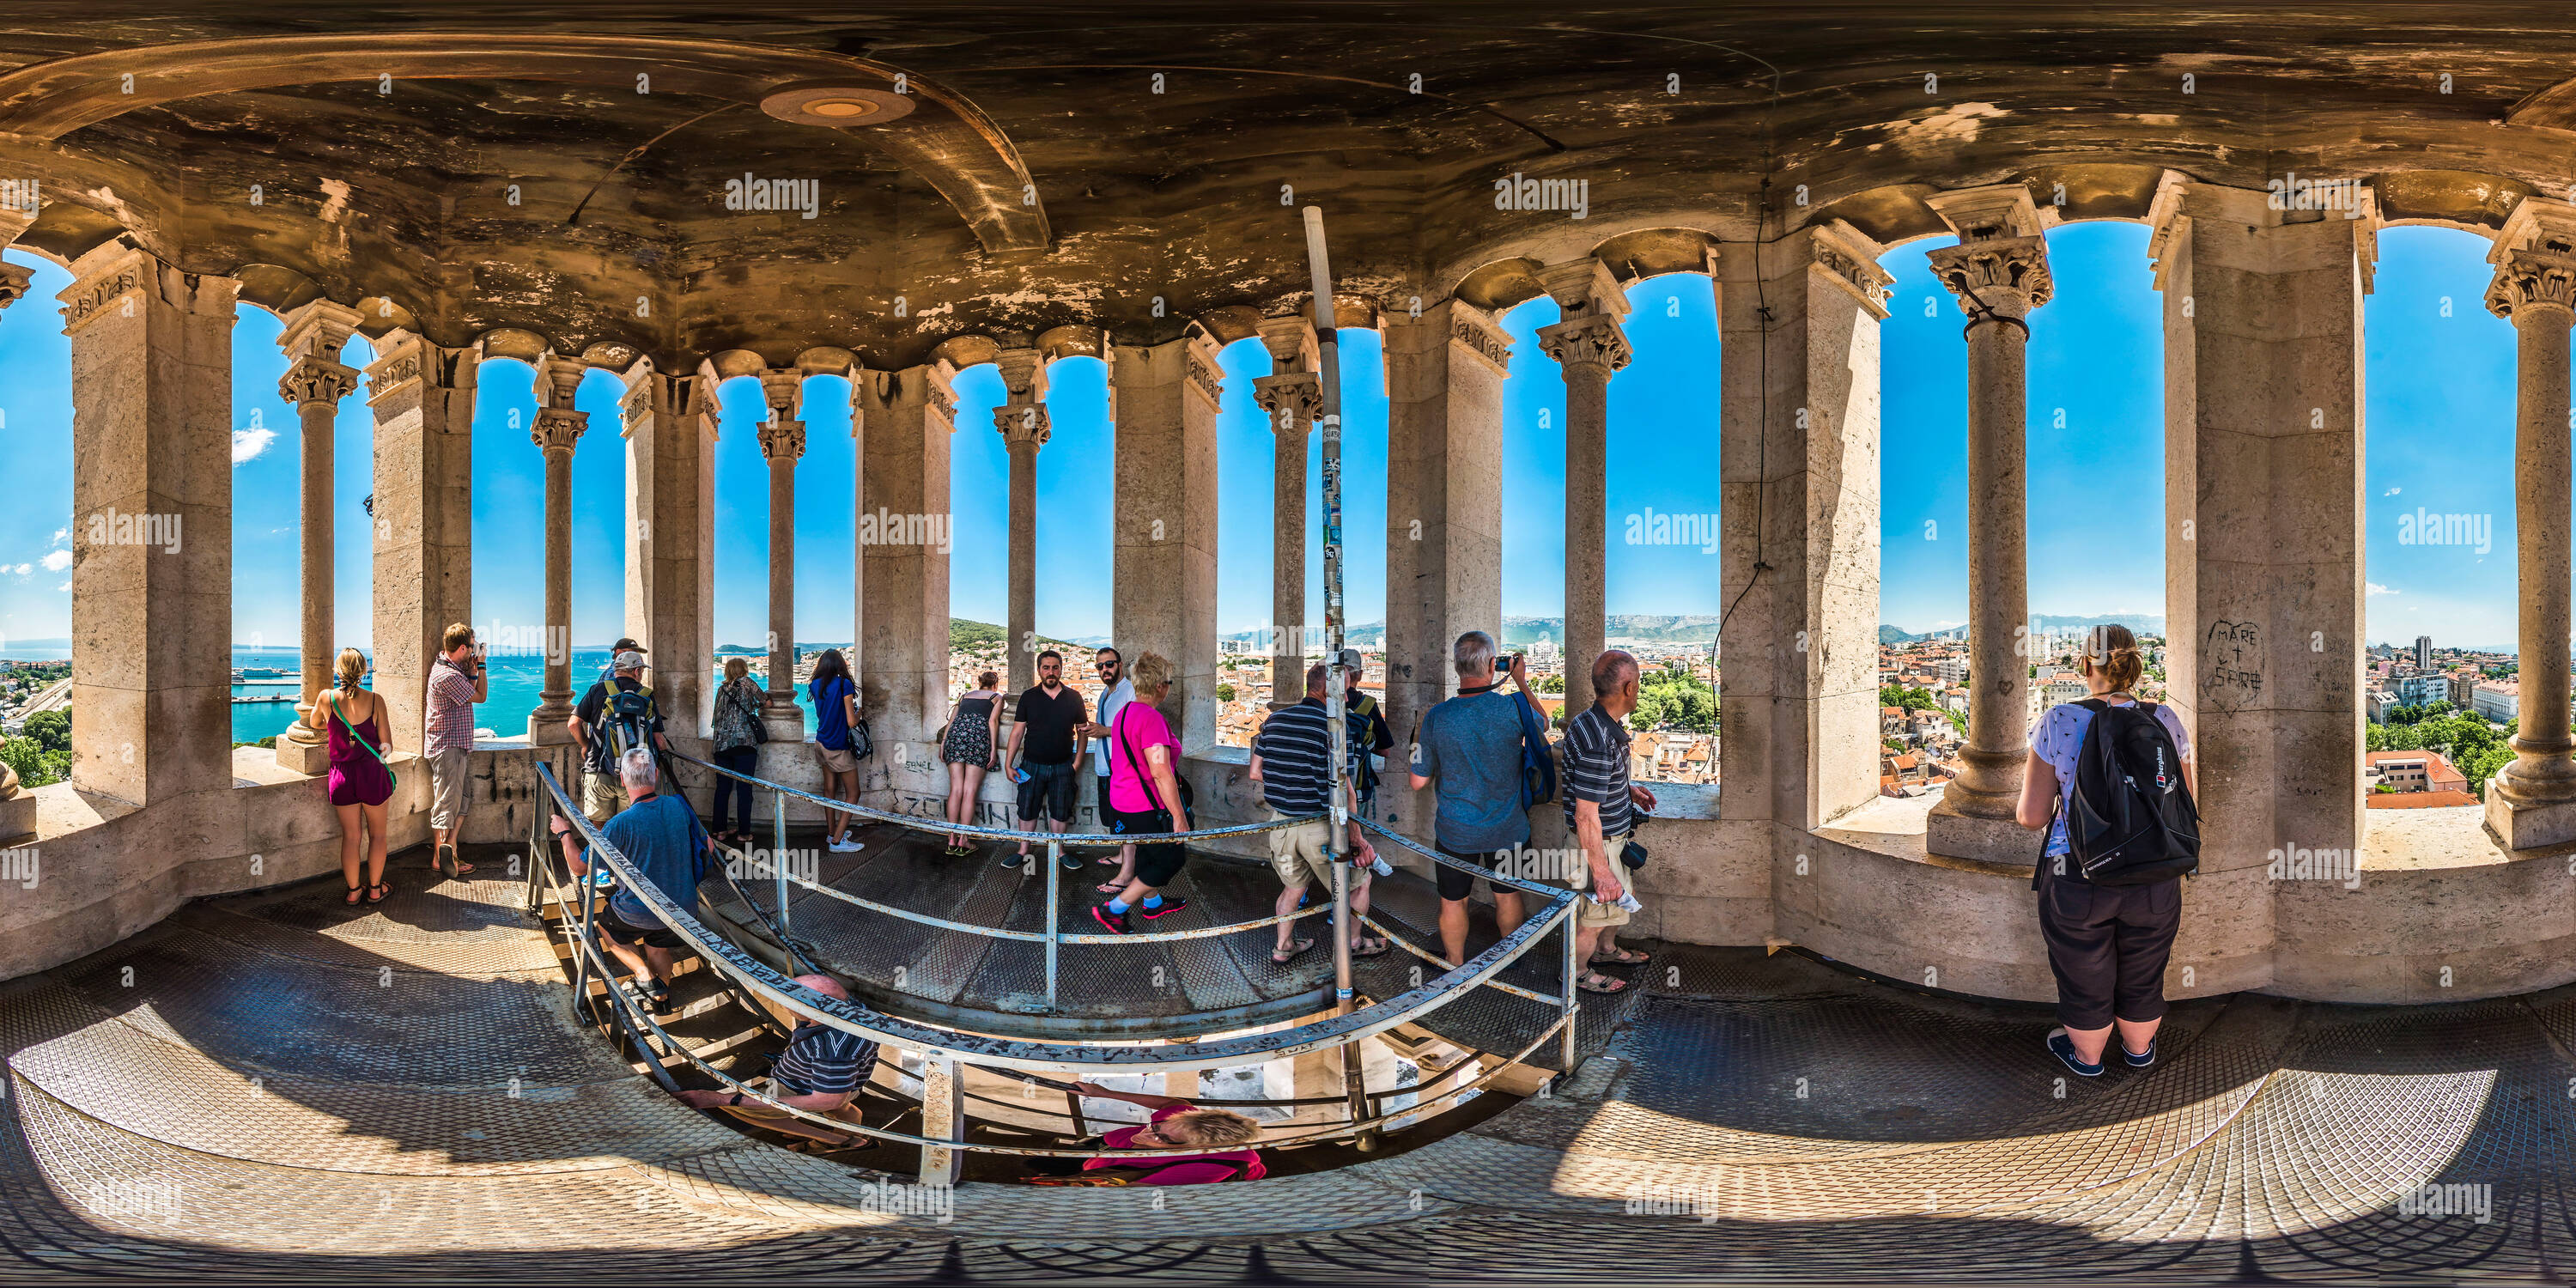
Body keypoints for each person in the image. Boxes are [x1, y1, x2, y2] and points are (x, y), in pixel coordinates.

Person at [2015, 623, 2196, 1078]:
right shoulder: (2166, 719)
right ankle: (2139, 1050)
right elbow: (2188, 803)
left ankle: (2088, 1058)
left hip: (2078, 871)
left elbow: (2031, 816)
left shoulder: (2059, 720)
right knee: (2145, 967)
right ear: (2136, 663)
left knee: (2083, 968)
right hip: (2156, 872)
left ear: (2083, 665)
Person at [1408, 631, 1546, 968]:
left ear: (1457, 667)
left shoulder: (1437, 717)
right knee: (1508, 895)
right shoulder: (1512, 709)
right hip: (1508, 827)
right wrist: (1520, 682)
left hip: (1456, 830)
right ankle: (1508, 959)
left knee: (1453, 902)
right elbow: (1543, 724)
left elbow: (1417, 781)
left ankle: (1455, 963)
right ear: (1490, 665)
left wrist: (1420, 741)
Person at [549, 747, 714, 1014]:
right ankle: (661, 1000)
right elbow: (708, 846)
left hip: (640, 912)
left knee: (607, 928)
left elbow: (580, 867)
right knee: (658, 945)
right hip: (682, 908)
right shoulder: (678, 806)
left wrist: (564, 832)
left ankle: (643, 975)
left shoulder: (620, 824)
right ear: (656, 775)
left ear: (623, 780)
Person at [1249, 663, 1388, 965]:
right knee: (1359, 883)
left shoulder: (1275, 720)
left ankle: (1283, 946)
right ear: (1330, 690)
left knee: (1293, 887)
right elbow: (1346, 790)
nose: (1349, 698)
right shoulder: (1338, 727)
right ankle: (1352, 942)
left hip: (1281, 824)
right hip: (1320, 825)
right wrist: (1358, 840)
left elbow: (1255, 772)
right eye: (1346, 690)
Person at [677, 974, 881, 1155]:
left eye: (788, 1001)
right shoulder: (855, 1009)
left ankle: (837, 1140)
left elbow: (829, 1101)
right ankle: (852, 1128)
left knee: (741, 1108)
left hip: (801, 1088)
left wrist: (720, 1099)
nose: (782, 1001)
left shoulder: (831, 1051)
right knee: (844, 1104)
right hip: (848, 1084)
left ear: (810, 1012)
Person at [1560, 649, 1657, 995]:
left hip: (1608, 841)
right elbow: (1586, 815)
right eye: (1639, 683)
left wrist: (1625, 789)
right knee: (1590, 919)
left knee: (1611, 909)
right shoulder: (1601, 739)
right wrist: (1600, 872)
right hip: (1598, 846)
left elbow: (1589, 783)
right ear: (1628, 688)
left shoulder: (1590, 721)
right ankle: (1577, 974)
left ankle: (1606, 951)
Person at [1092, 652, 1192, 933]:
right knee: (1172, 858)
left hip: (1121, 801)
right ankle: (1115, 908)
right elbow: (1160, 772)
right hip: (1145, 805)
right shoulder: (1151, 719)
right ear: (1160, 685)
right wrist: (1178, 815)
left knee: (1147, 856)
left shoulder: (1125, 713)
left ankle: (1152, 903)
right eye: (1169, 682)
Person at [1046, 1081, 1264, 1185]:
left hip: (1133, 1166)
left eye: (1160, 1138)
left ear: (1193, 1148)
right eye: (1155, 1127)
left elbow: (1136, 1187)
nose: (1142, 1134)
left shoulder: (1210, 1167)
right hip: (1111, 1148)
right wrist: (1105, 1093)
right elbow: (1171, 1102)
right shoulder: (1180, 1119)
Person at [305, 647, 392, 904]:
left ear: (337, 671)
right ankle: (375, 889)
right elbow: (387, 746)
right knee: (377, 835)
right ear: (364, 671)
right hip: (371, 775)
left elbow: (315, 723)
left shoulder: (326, 698)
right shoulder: (376, 700)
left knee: (351, 837)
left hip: (342, 777)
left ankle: (354, 891)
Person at [1005, 649, 1087, 872]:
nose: (1051, 672)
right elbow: (1017, 732)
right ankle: (1023, 851)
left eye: (1055, 667)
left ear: (1061, 669)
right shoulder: (1028, 697)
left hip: (1063, 765)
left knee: (1061, 810)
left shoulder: (1074, 697)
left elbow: (1082, 732)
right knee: (1027, 807)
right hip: (1031, 764)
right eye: (1046, 668)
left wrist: (1077, 763)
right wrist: (1008, 763)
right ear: (1039, 670)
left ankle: (1059, 852)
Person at [571, 650, 670, 826]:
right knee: (630, 827)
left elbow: (573, 724)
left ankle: (601, 854)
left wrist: (586, 746)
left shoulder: (598, 689)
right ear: (637, 671)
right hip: (635, 776)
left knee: (598, 828)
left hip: (599, 769)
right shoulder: (646, 695)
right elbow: (659, 741)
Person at [424, 623, 487, 878]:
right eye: (471, 647)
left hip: (456, 745)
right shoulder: (446, 676)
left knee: (462, 800)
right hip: (448, 747)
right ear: (463, 647)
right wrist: (481, 666)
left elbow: (468, 690)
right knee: (446, 804)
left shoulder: (451, 668)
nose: (474, 650)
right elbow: (480, 696)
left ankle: (451, 849)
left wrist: (471, 669)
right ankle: (440, 858)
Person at [1081, 647, 1139, 892]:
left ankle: (1126, 874)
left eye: (1109, 664)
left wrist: (1104, 730)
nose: (1104, 669)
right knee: (1114, 819)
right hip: (1106, 768)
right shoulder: (1105, 694)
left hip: (1123, 769)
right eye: (1100, 666)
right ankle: (1121, 856)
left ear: (1120, 665)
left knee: (1125, 819)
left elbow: (1137, 727)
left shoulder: (1130, 691)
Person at [807, 648, 866, 854]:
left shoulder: (815, 685)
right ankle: (838, 841)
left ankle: (832, 832)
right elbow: (851, 721)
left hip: (821, 742)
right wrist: (860, 713)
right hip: (838, 746)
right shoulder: (844, 684)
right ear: (840, 663)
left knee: (829, 790)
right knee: (854, 793)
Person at [941, 671, 1005, 855]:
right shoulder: (996, 697)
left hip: (955, 739)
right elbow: (992, 722)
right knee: (969, 792)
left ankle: (951, 838)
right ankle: (964, 840)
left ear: (979, 682)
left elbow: (951, 721)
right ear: (995, 684)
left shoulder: (965, 696)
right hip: (977, 740)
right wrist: (993, 749)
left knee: (955, 790)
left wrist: (944, 743)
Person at [708, 656, 765, 846]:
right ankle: (744, 833)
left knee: (722, 789)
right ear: (744, 669)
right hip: (744, 744)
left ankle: (720, 830)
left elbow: (716, 717)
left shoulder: (721, 689)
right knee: (744, 789)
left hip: (721, 746)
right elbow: (765, 701)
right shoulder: (747, 682)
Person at [1337, 648, 1396, 811]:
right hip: (1357, 788)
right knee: (1355, 835)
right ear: (1360, 674)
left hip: (1326, 788)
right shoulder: (1367, 705)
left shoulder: (1325, 702)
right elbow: (1385, 751)